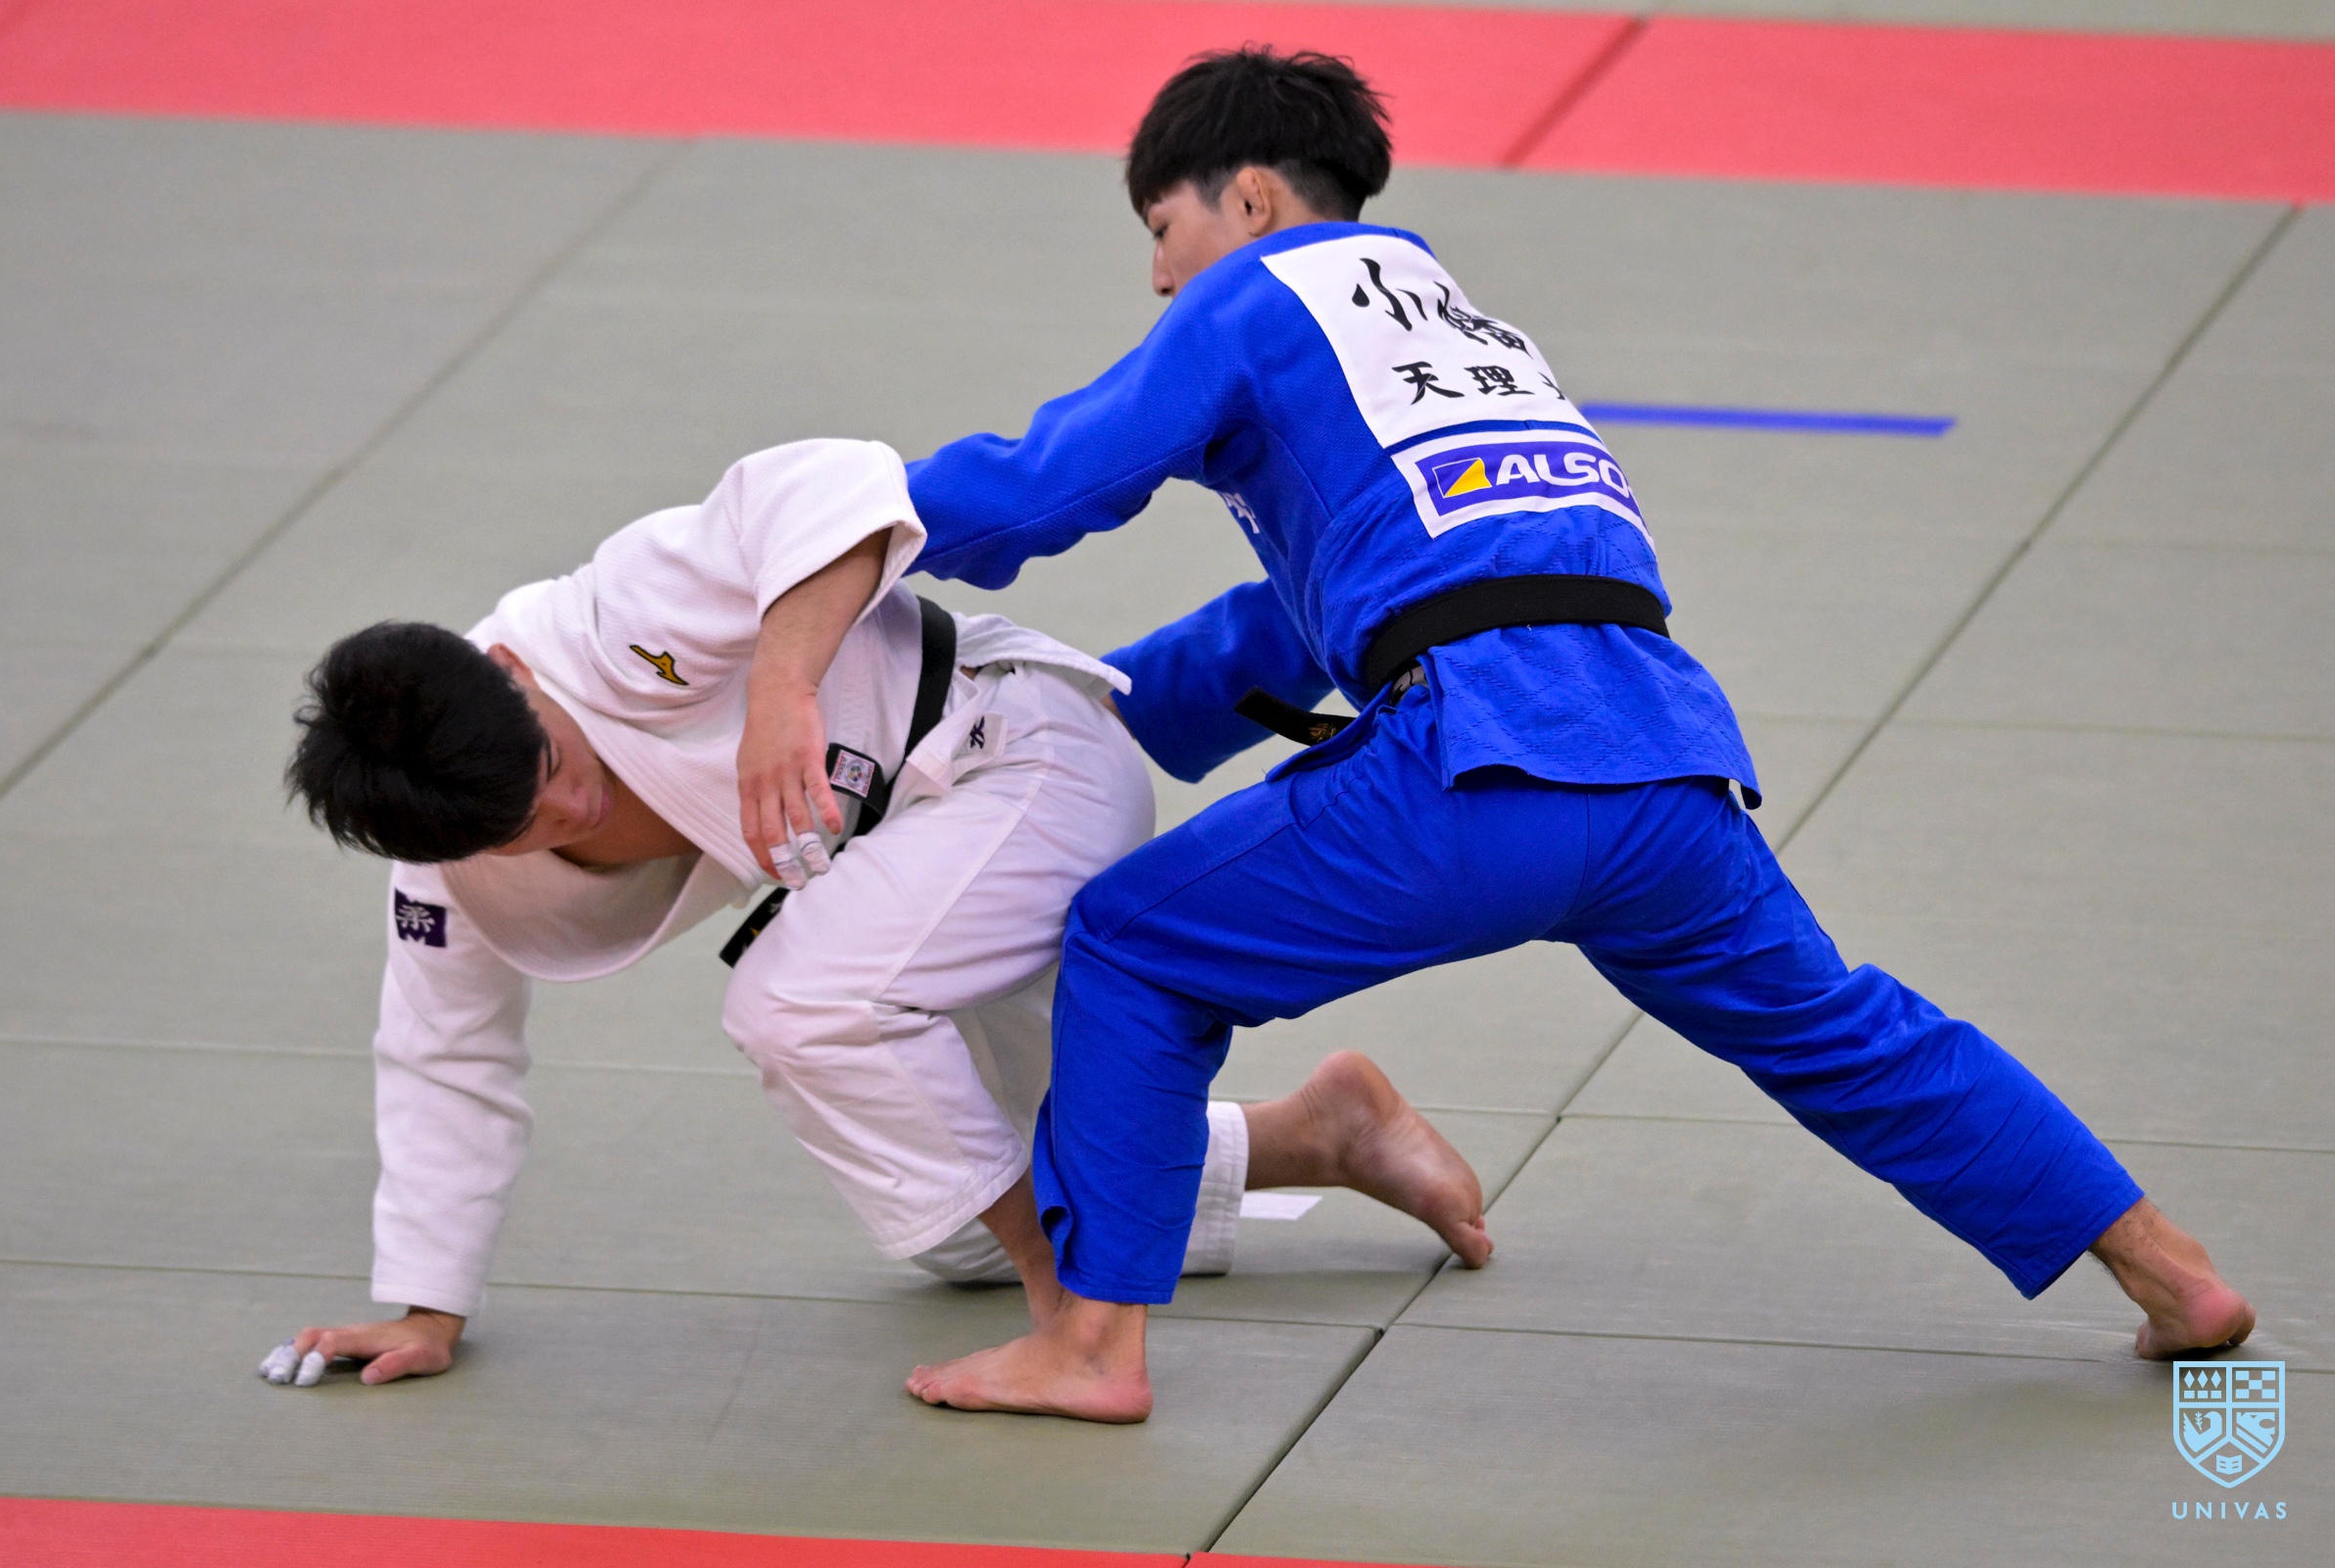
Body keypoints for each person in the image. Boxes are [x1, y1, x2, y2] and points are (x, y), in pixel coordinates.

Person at [896, 50, 2256, 1423]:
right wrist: (1090, 705)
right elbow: (1301, 620)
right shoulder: (1472, 344)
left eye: (1161, 229)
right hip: (1662, 773)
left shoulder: (1256, 296)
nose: (1156, 278)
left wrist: (828, 524)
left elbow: (1044, 482)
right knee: (1849, 1032)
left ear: (1247, 199)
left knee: (1130, 946)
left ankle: (1091, 1346)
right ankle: (2170, 1272)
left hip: (1473, 770)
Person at [261, 437, 1491, 1389]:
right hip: (912, 880)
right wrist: (427, 1305)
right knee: (961, 1219)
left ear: (510, 672)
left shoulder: (621, 615)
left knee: (799, 1003)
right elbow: (443, 1055)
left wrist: (779, 687)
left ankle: (1071, 1324)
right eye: (524, 827)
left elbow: (834, 482)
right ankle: (1321, 1132)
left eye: (548, 765)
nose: (569, 807)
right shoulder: (449, 857)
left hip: (1018, 764)